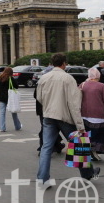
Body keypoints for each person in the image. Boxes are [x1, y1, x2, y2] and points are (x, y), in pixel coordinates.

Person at [36, 53, 99, 184]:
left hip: (48, 116)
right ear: (64, 63)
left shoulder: (44, 77)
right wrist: (80, 126)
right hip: (64, 117)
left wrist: (49, 106)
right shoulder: (68, 79)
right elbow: (74, 104)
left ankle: (42, 179)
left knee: (46, 147)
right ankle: (88, 174)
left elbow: (39, 98)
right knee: (79, 145)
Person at [79, 67, 104, 161]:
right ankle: (95, 150)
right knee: (100, 135)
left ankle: (86, 152)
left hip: (84, 115)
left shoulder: (83, 85)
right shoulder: (102, 86)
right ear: (98, 76)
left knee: (86, 135)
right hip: (98, 116)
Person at [33, 86, 64, 155]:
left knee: (48, 128)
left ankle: (55, 146)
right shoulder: (53, 83)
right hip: (51, 109)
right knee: (50, 128)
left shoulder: (41, 81)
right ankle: (54, 146)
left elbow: (35, 95)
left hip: (43, 109)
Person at [0, 67, 22, 132]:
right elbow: (16, 86)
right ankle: (17, 126)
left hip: (2, 97)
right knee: (13, 112)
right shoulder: (11, 78)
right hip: (10, 98)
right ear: (11, 73)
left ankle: (2, 128)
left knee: (2, 113)